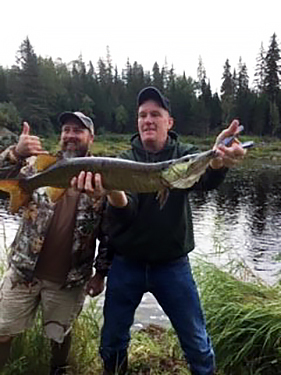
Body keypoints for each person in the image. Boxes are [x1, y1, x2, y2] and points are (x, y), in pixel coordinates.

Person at [74, 86, 246, 375]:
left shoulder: (183, 155)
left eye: (156, 114)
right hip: (126, 264)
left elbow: (205, 179)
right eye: (142, 115)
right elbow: (126, 213)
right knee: (113, 340)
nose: (148, 120)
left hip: (172, 266)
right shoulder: (123, 159)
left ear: (170, 122)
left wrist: (217, 160)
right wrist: (112, 192)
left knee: (196, 340)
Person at [0, 111, 111, 375]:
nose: (71, 135)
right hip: (23, 271)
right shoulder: (40, 164)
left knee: (59, 335)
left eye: (78, 130)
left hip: (69, 279)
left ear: (91, 138)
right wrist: (15, 152)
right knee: (3, 330)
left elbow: (110, 232)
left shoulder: (103, 175)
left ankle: (58, 370)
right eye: (66, 130)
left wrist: (101, 273)